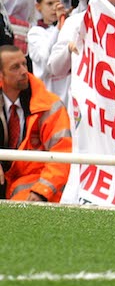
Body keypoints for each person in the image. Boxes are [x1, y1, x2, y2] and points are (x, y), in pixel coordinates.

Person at [1, 44, 72, 201]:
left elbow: (62, 152)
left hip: (36, 186)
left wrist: (42, 190)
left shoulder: (49, 105)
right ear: (1, 75)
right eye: (15, 67)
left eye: (24, 64)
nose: (24, 71)